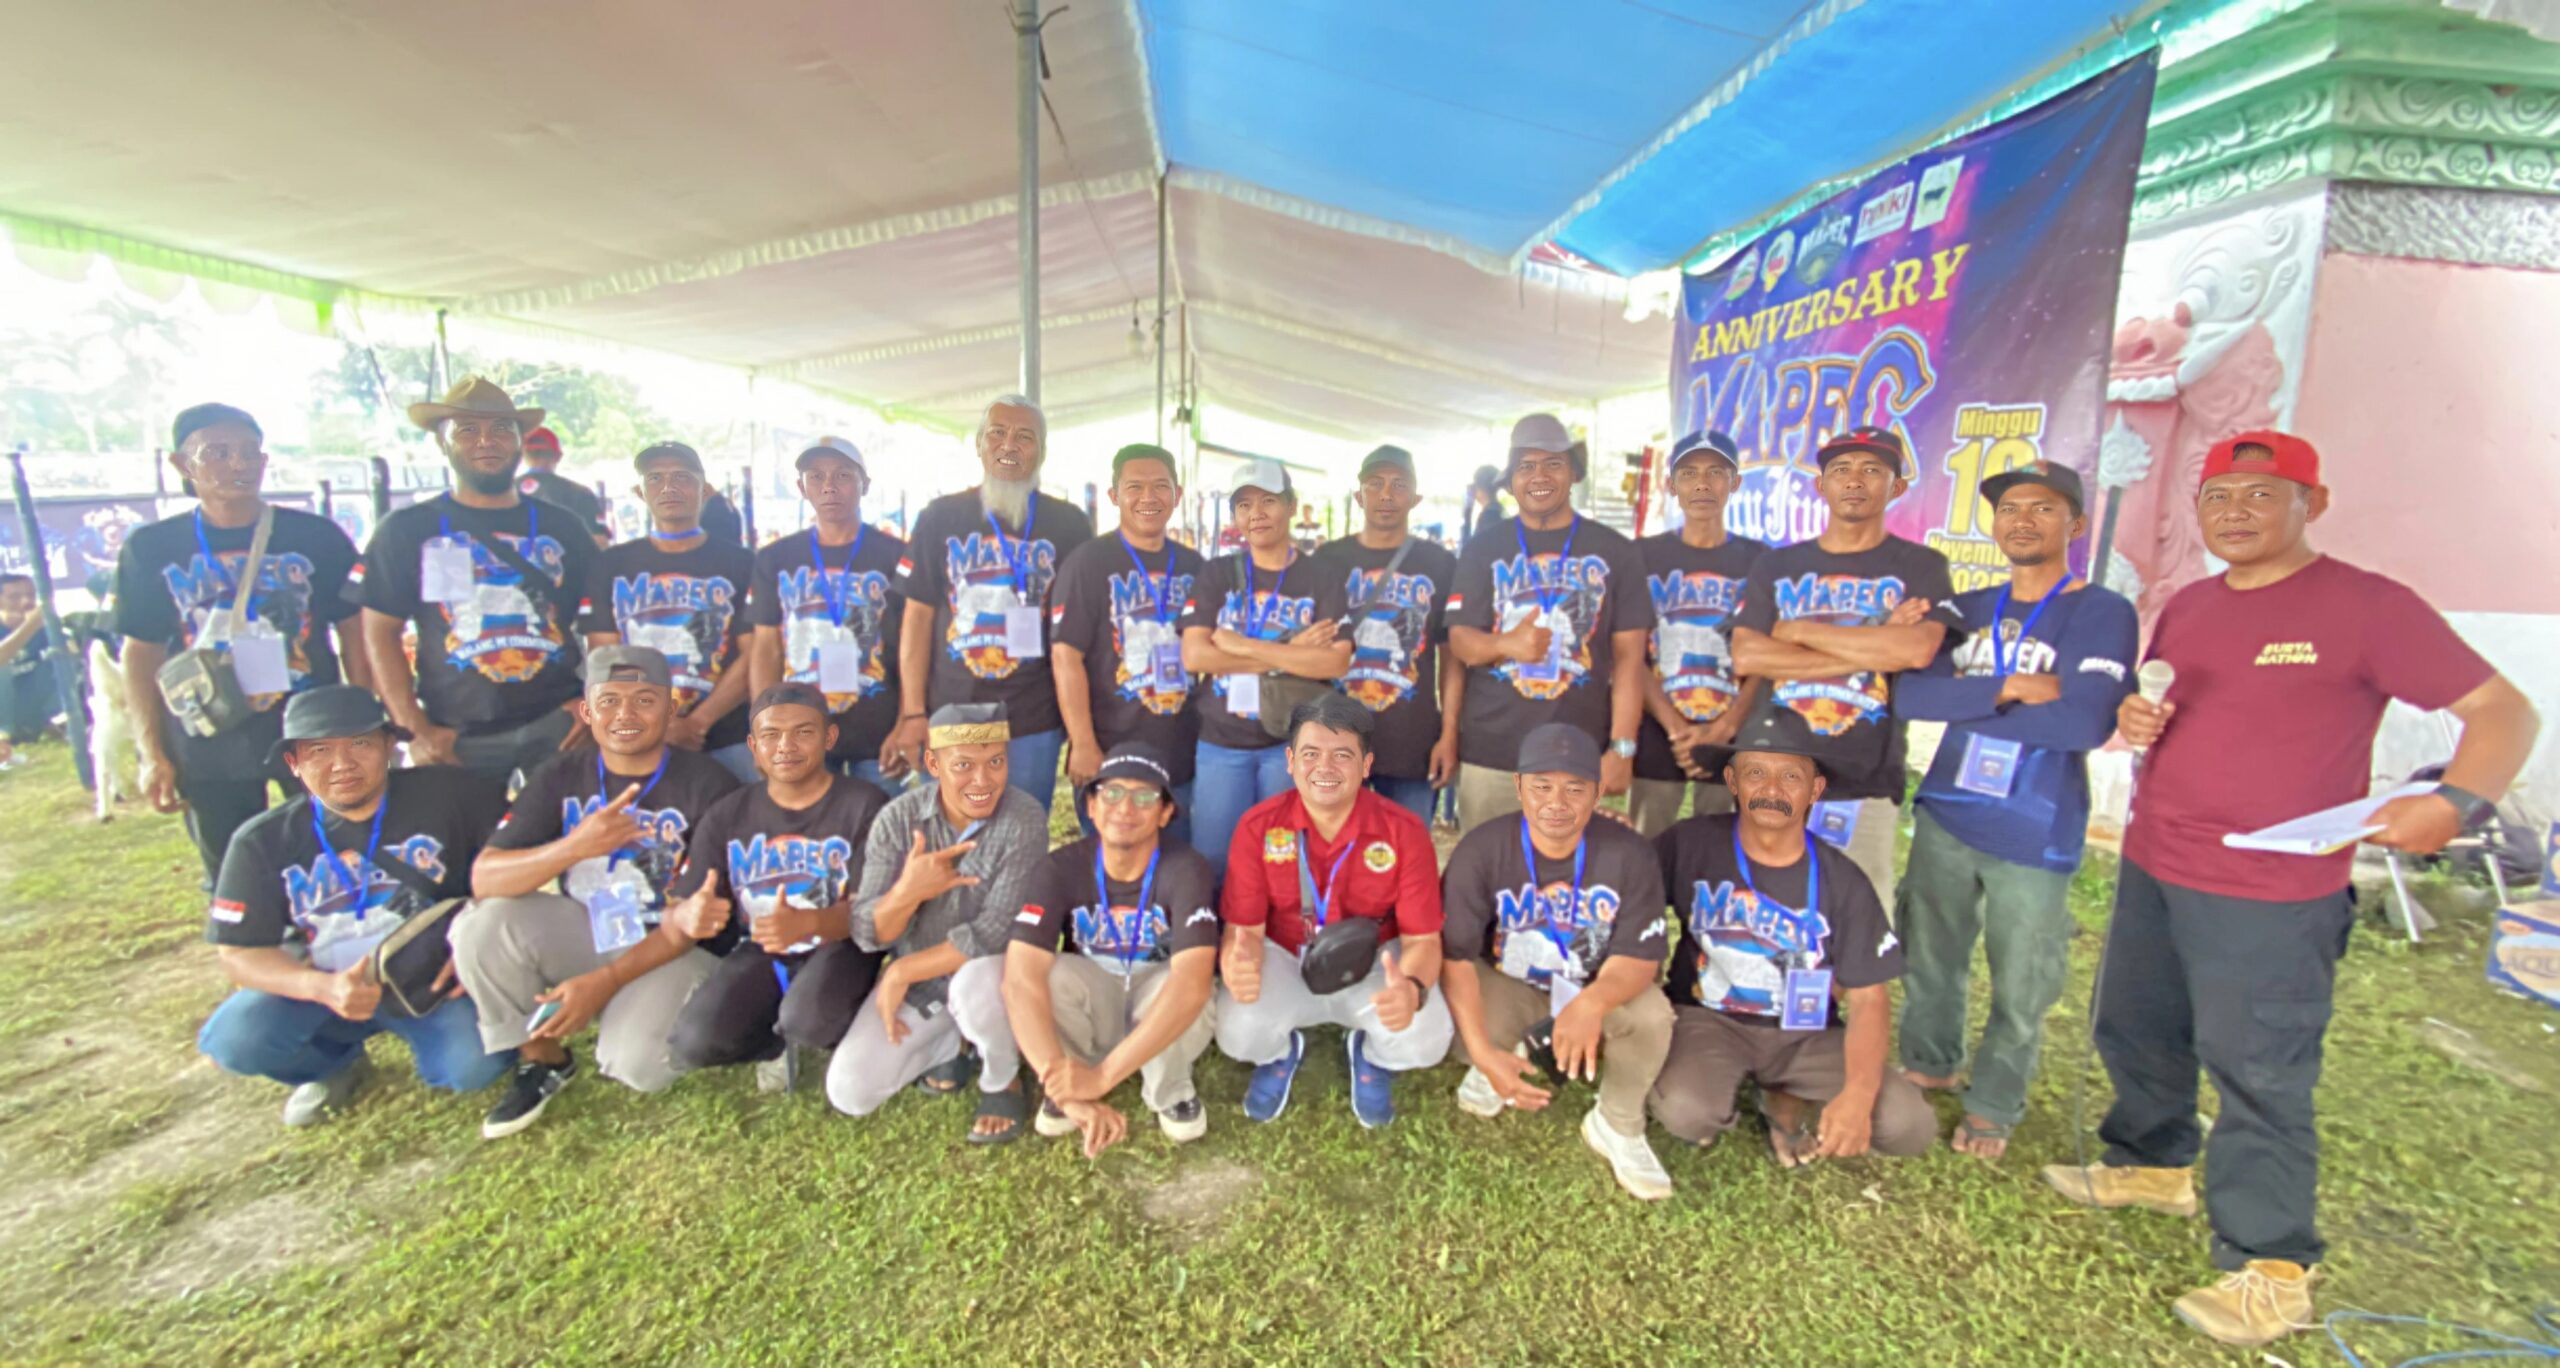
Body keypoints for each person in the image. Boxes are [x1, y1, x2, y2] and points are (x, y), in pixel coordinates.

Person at [2042, 430, 2540, 1348]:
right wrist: (2133, 715)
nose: (2235, 512)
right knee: (2136, 1022)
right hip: (2158, 858)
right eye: (2219, 496)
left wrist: (2459, 801)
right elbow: (2182, 711)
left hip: (2272, 885)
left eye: (2261, 496)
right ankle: (2153, 1163)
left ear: (2312, 504)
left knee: (2259, 1067)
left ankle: (2272, 1263)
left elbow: (2505, 712)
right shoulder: (2188, 606)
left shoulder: (2368, 607)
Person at [1891, 462, 2135, 1160]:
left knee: (2022, 980)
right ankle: (1930, 1060)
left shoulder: (2101, 612)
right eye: (2009, 508)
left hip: (2037, 824)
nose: (2022, 520)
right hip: (1947, 809)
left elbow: (2084, 722)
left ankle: (1995, 1101)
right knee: (1931, 952)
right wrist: (2019, 688)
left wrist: (1974, 695)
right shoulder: (1966, 608)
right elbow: (1910, 699)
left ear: (2076, 525)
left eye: (2043, 508)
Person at [451, 646, 742, 1138]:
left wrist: (604, 983)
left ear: (672, 707)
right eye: (609, 702)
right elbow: (485, 877)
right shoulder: (561, 773)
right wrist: (573, 846)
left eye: (644, 701)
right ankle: (543, 1060)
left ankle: (633, 1008)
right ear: (587, 711)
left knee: (636, 1065)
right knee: (481, 926)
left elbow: (692, 921)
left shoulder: (709, 784)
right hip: (587, 926)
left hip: (673, 945)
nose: (625, 715)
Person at [196, 687, 511, 1126]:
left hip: (431, 982)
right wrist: (319, 988)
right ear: (294, 764)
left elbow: (513, 876)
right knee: (236, 1038)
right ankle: (332, 1068)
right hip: (325, 985)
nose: (342, 764)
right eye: (320, 751)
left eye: (360, 744)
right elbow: (238, 953)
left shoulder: (455, 795)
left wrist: (475, 950)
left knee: (472, 1067)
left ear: (388, 746)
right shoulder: (262, 841)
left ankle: (440, 1045)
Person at [1648, 712, 1934, 1165]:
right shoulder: (1689, 843)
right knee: (1689, 1113)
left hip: (1807, 1033)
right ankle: (1732, 1084)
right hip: (1709, 1020)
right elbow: (1625, 887)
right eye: (1756, 773)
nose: (1772, 789)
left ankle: (1783, 1093)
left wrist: (1858, 1097)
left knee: (1906, 1124)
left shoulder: (1843, 878)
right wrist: (1608, 835)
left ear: (1815, 790)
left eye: (1791, 776)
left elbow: (1869, 1000)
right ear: (1733, 781)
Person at [113, 403, 367, 882]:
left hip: (311, 728)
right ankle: (255, 950)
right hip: (208, 733)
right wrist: (153, 752)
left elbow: (354, 630)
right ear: (182, 466)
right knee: (234, 871)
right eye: (219, 453)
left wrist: (366, 719)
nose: (239, 465)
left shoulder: (316, 536)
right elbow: (139, 652)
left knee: (337, 857)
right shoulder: (151, 548)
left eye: (251, 452)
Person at [1440, 724, 1677, 1200]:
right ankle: (1504, 1054)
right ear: (1519, 787)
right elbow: (1457, 959)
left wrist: (1591, 1005)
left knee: (1651, 1015)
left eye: (1575, 788)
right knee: (1448, 1010)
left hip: (1594, 983)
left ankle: (1617, 1123)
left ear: (1597, 792)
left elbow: (1639, 958)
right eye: (1542, 786)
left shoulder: (1629, 852)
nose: (1557, 803)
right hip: (1510, 981)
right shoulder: (1482, 848)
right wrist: (1484, 1054)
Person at [1728, 426, 1961, 905]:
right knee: (1764, 904)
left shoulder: (1920, 566)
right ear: (1821, 485)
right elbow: (1748, 655)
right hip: (1773, 764)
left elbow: (1916, 650)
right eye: (1841, 470)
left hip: (1864, 775)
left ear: (1896, 487)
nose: (1854, 480)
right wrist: (1878, 637)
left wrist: (1796, 632)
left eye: (1872, 470)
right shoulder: (1777, 565)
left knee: (1856, 910)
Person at [953, 743, 1219, 1157]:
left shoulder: (1187, 868)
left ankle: (1170, 1087)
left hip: (1155, 994)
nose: (1125, 808)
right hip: (1096, 996)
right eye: (1111, 793)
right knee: (1051, 974)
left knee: (1190, 989)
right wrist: (1070, 1091)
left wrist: (1104, 1078)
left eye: (1144, 796)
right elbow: (1021, 980)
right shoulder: (1059, 868)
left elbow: (1192, 983)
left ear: (1166, 813)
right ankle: (1065, 1083)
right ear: (1090, 807)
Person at [1216, 692, 1450, 1128]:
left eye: (1342, 755)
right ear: (1289, 761)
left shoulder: (1404, 830)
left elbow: (1422, 939)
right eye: (1310, 754)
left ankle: (1371, 1056)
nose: (1324, 768)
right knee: (1238, 1035)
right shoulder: (1258, 827)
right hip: (1287, 957)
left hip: (1372, 965)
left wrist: (1412, 987)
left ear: (1366, 766)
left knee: (1427, 1039)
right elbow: (1243, 929)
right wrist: (1239, 960)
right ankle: (1282, 1052)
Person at [353, 378, 600, 781]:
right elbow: (379, 632)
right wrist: (414, 728)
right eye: (467, 431)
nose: (487, 441)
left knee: (568, 838)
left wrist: (595, 703)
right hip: (456, 733)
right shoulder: (405, 530)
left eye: (502, 429)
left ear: (521, 441)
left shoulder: (564, 527)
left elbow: (602, 623)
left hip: (558, 723)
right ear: (441, 442)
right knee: (467, 842)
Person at [832, 703, 1050, 1140]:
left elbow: (996, 932)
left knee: (977, 981)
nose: (983, 780)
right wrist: (908, 891)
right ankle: (951, 1043)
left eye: (996, 763)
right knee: (850, 1091)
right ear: (933, 764)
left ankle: (1001, 1075)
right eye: (964, 765)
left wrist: (900, 971)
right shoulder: (898, 819)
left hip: (993, 979)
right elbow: (869, 932)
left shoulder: (1023, 818)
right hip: (924, 985)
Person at [658, 683, 892, 1086]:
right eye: (771, 735)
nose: (786, 745)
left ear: (828, 737)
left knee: (812, 1021)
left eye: (804, 732)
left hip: (841, 942)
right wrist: (686, 914)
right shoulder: (728, 814)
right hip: (761, 945)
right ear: (753, 745)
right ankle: (772, 1042)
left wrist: (811, 923)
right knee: (692, 1043)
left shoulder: (865, 804)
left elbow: (872, 914)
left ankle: (840, 1027)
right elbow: (680, 906)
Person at [1446, 413, 1653, 832]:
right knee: (1489, 879)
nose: (1538, 476)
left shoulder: (1617, 552)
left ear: (1573, 472)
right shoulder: (1483, 548)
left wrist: (1622, 748)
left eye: (1552, 464)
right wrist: (1507, 645)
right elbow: (1461, 641)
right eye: (1526, 466)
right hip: (1493, 754)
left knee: (1568, 887)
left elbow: (1630, 660)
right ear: (1511, 480)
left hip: (1577, 754)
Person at [885, 396, 1093, 805]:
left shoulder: (1069, 524)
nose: (1009, 446)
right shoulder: (939, 517)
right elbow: (918, 616)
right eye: (997, 433)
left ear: (1042, 451)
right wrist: (912, 713)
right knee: (955, 839)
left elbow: (1081, 627)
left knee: (1025, 833)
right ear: (978, 444)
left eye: (1024, 437)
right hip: (953, 708)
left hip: (1034, 715)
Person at [1179, 461, 1352, 864]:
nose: (1255, 513)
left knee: (1285, 861)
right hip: (1222, 742)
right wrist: (1292, 653)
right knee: (1216, 860)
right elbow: (1196, 654)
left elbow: (1336, 662)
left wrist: (1240, 645)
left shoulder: (1320, 577)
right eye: (1243, 505)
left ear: (1291, 506)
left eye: (1268, 501)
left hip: (1292, 744)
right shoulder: (1217, 573)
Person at [1049, 444, 1203, 845]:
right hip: (1112, 748)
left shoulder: (1195, 565)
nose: (1148, 498)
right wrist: (1082, 743)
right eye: (1135, 487)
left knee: (1178, 861)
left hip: (1183, 748)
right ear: (1114, 496)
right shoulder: (1088, 563)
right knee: (1116, 867)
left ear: (1177, 495)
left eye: (1160, 486)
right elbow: (1066, 656)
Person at [580, 442, 759, 784]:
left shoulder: (742, 563)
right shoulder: (610, 565)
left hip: (726, 735)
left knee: (741, 827)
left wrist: (697, 722)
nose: (669, 488)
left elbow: (754, 654)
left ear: (705, 490)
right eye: (655, 478)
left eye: (682, 477)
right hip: (639, 736)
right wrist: (650, 724)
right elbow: (604, 656)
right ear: (640, 491)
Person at [745, 438, 906, 790]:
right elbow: (766, 648)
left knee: (881, 834)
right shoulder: (774, 558)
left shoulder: (897, 555)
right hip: (799, 731)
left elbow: (914, 648)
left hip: (878, 729)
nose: (829, 486)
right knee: (814, 833)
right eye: (816, 476)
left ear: (865, 484)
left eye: (843, 475)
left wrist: (907, 720)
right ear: (802, 487)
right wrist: (763, 724)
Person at [1628, 431, 1766, 838]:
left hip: (1732, 728)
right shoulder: (1640, 556)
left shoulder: (1762, 561)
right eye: (1689, 473)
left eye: (1716, 472)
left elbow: (1769, 657)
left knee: (1721, 845)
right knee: (1646, 845)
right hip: (1658, 727)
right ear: (1671, 484)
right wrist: (1674, 727)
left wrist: (1725, 726)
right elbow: (1629, 652)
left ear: (1735, 482)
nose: (1703, 484)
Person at [1318, 444, 1460, 826]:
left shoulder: (1440, 564)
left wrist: (1449, 735)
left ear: (1415, 497)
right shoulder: (1326, 560)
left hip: (1411, 741)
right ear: (1358, 494)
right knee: (1334, 856)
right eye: (1375, 483)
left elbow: (1452, 658)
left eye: (1399, 484)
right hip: (1335, 738)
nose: (1386, 494)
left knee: (1405, 859)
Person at [518, 426, 610, 545]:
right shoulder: (580, 493)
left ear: (522, 455)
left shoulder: (502, 493)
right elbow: (600, 542)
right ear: (558, 456)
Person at [0, 573, 62, 744]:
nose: (26, 602)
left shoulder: (44, 627)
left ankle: (48, 723)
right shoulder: (33, 625)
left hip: (26, 702)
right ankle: (4, 735)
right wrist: (30, 626)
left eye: (31, 595)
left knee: (60, 660)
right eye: (14, 597)